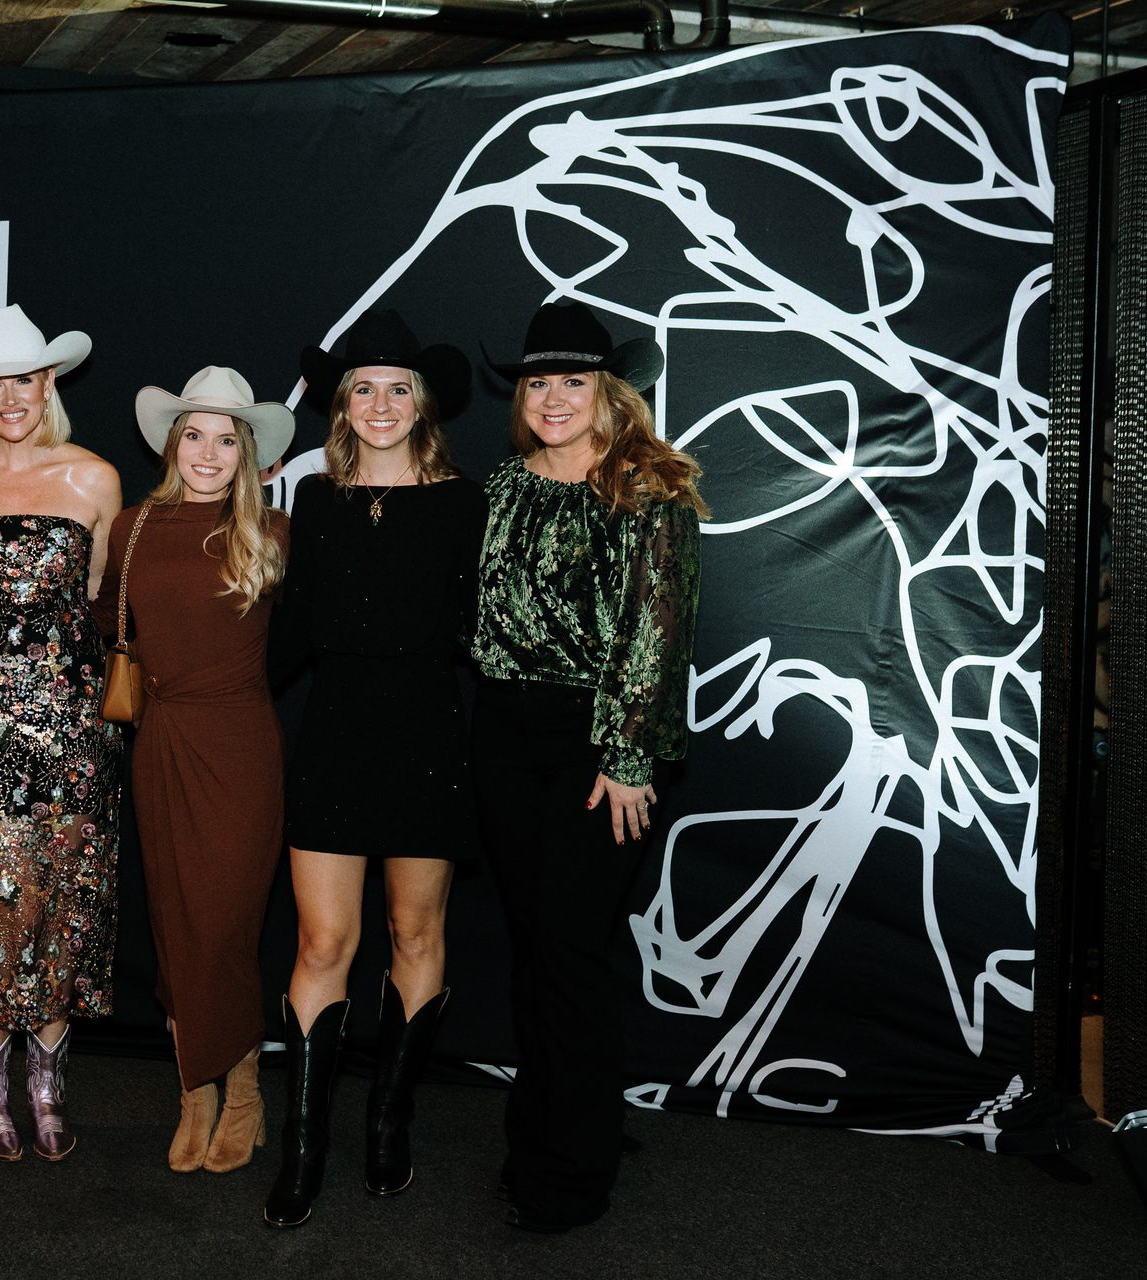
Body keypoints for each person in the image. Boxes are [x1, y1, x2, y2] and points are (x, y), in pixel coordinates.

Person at [470, 299, 705, 1233]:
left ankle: (570, 1170)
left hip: (599, 742)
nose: (554, 397)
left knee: (569, 950)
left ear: (610, 392)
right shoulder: (501, 484)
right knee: (540, 952)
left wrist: (626, 751)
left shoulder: (649, 485)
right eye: (539, 381)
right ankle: (560, 1121)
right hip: (502, 735)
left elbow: (658, 628)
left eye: (574, 380)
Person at [263, 309, 486, 1228]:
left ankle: (388, 1124)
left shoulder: (467, 502)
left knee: (416, 937)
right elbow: (290, 634)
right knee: (322, 945)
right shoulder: (313, 500)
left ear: (422, 403)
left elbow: (484, 633)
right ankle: (305, 1146)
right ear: (342, 408)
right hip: (336, 737)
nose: (382, 402)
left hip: (429, 738)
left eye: (399, 387)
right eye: (364, 388)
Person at [0, 304, 123, 1163]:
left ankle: (48, 1086)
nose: (10, 396)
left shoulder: (96, 479)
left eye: (24, 378)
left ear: (49, 383)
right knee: (0, 901)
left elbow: (103, 612)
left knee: (66, 899)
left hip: (76, 727)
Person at [93, 367, 295, 1175]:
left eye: (225, 438)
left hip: (242, 746)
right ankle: (194, 1092)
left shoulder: (272, 533)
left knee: (225, 925)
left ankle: (243, 1089)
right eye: (193, 434)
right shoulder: (134, 527)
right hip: (162, 741)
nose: (207, 452)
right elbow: (108, 627)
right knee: (177, 923)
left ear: (246, 452)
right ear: (173, 442)